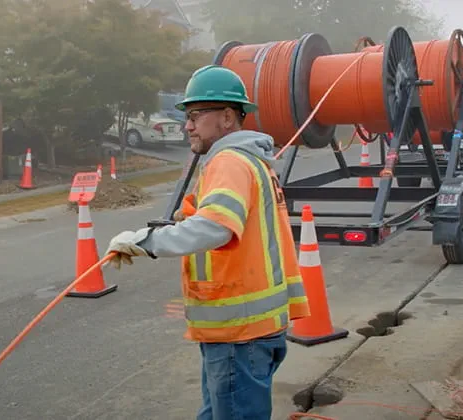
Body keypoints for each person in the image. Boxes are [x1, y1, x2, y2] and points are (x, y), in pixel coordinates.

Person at [103, 64, 311, 420]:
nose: (187, 125)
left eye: (196, 115)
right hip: (252, 331)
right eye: (187, 115)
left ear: (228, 117)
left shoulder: (229, 162)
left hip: (238, 335)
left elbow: (215, 227)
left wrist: (147, 240)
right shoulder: (254, 163)